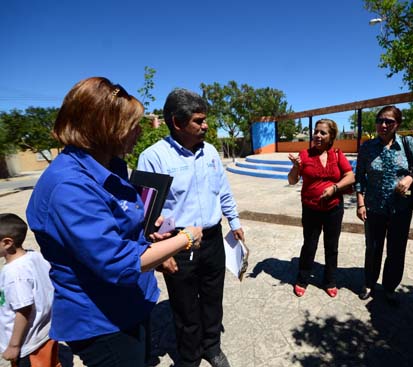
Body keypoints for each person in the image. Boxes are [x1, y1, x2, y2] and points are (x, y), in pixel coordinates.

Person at [25, 77, 202, 367]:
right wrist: (185, 239)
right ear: (106, 128)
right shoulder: (70, 186)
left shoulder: (109, 164)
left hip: (131, 302)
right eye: (133, 126)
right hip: (103, 321)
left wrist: (148, 233)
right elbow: (118, 263)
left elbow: (118, 225)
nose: (139, 131)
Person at [137, 88, 244, 367]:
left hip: (212, 238)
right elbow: (146, 214)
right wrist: (162, 252)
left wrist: (234, 222)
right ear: (177, 122)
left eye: (205, 119)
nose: (206, 125)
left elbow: (223, 191)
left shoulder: (210, 152)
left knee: (212, 298)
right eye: (198, 120)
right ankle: (190, 358)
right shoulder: (153, 157)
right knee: (184, 307)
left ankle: (212, 348)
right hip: (178, 243)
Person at [355, 106, 413, 305]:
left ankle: (389, 287)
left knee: (396, 250)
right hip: (373, 207)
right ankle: (370, 283)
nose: (383, 124)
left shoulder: (408, 143)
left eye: (389, 121)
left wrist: (410, 177)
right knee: (372, 247)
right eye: (380, 120)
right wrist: (360, 203)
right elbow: (360, 177)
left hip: (401, 208)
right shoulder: (367, 147)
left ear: (398, 124)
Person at [287, 119, 355, 298]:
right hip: (311, 209)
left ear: (331, 136)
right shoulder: (304, 154)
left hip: (334, 208)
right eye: (316, 132)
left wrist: (334, 188)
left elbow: (350, 176)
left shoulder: (337, 154)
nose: (317, 135)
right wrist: (296, 166)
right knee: (309, 245)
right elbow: (292, 180)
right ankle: (302, 279)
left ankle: (330, 280)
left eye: (322, 133)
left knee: (331, 246)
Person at [0, 213, 60, 367]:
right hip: (45, 333)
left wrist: (14, 346)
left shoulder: (14, 273)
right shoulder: (35, 256)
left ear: (7, 243)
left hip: (27, 345)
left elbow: (24, 309)